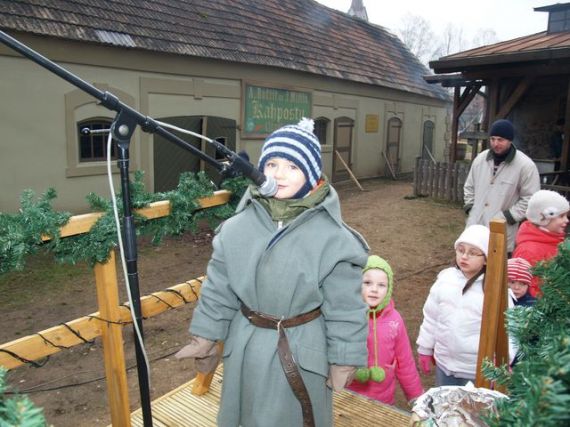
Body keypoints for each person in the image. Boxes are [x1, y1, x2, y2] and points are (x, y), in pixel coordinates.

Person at [175, 118, 369, 427]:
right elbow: (219, 289)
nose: (279, 173)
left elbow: (345, 306)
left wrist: (344, 357)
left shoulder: (334, 240)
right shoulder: (236, 229)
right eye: (272, 164)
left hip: (300, 351)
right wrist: (206, 336)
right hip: (246, 346)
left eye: (293, 166)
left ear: (312, 174)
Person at [416, 225, 493, 386]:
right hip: (444, 364)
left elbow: (507, 330)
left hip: (475, 370)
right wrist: (425, 348)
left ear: (486, 258)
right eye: (461, 250)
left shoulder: (493, 289)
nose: (464, 256)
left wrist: (502, 362)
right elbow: (431, 317)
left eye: (473, 253)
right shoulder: (445, 280)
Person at [347, 255, 424, 405]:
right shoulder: (345, 316)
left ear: (389, 289)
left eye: (381, 285)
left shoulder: (394, 321)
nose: (374, 289)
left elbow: (405, 362)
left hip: (383, 399)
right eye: (367, 283)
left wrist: (416, 397)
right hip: (347, 396)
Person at [464, 119, 541, 253]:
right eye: (492, 139)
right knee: (470, 260)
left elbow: (531, 198)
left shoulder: (525, 166)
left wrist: (508, 216)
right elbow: (469, 186)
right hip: (475, 225)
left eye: (500, 140)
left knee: (497, 263)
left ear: (510, 140)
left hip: (502, 229)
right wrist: (471, 207)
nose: (495, 143)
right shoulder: (480, 159)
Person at [512, 189, 569, 297]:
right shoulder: (528, 251)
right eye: (561, 216)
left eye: (567, 216)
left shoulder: (557, 242)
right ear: (544, 219)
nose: (567, 220)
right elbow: (527, 290)